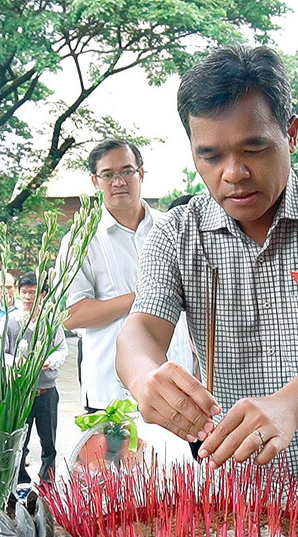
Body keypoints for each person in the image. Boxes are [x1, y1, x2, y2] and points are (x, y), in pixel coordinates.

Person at [115, 45, 298, 477]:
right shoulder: (176, 234)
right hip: (240, 494)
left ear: (291, 133)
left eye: (254, 148)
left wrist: (292, 403)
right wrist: (143, 379)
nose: (232, 173)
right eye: (210, 155)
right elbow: (139, 332)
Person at [62, 139, 196, 412]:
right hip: (111, 394)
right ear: (95, 181)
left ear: (141, 173)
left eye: (126, 171)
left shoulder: (173, 228)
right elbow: (73, 315)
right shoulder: (81, 240)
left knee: (184, 457)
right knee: (113, 457)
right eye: (108, 175)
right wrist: (146, 297)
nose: (118, 181)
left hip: (180, 386)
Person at [5, 273, 66, 487]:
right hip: (22, 393)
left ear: (42, 295)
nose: (28, 297)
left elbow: (62, 349)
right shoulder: (12, 322)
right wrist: (16, 363)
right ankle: (21, 482)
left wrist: (48, 361)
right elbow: (2, 353)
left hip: (47, 391)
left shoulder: (50, 322)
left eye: (32, 292)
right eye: (24, 292)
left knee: (49, 442)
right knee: (20, 440)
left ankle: (47, 483)